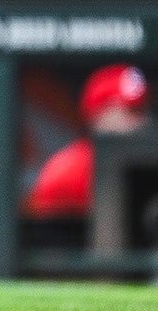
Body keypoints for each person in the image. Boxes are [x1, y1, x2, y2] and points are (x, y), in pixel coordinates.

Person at [27, 64, 150, 219]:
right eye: (129, 112)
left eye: (141, 111)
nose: (138, 122)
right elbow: (48, 238)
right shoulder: (68, 171)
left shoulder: (153, 167)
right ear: (99, 113)